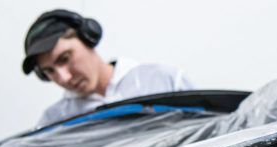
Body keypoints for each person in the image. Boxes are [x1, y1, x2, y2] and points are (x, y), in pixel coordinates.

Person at [23, 9, 195, 128]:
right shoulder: (54, 121)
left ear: (88, 39)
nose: (63, 78)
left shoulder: (163, 80)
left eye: (65, 58)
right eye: (49, 71)